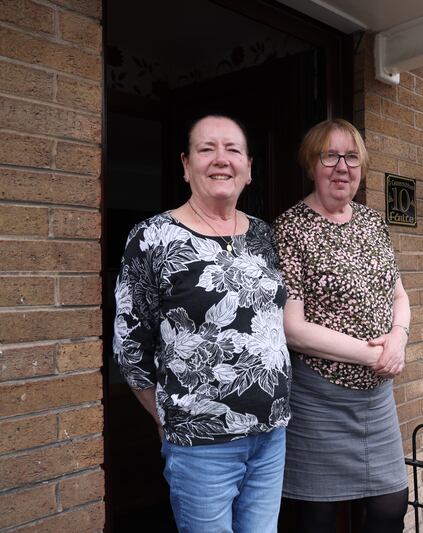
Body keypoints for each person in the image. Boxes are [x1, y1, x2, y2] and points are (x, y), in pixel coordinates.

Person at [113, 114, 290, 533]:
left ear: (248, 168)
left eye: (232, 150)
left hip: (271, 434)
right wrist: (165, 417)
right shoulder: (154, 237)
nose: (220, 159)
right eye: (206, 149)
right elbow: (129, 348)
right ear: (186, 165)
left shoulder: (264, 235)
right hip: (200, 443)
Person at [273, 119, 411, 533]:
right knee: (315, 518)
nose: (341, 167)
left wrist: (399, 339)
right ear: (311, 165)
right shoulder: (290, 227)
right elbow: (291, 328)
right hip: (318, 398)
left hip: (377, 397)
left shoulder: (372, 223)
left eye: (351, 157)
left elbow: (399, 296)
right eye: (329, 156)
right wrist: (377, 354)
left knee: (391, 507)